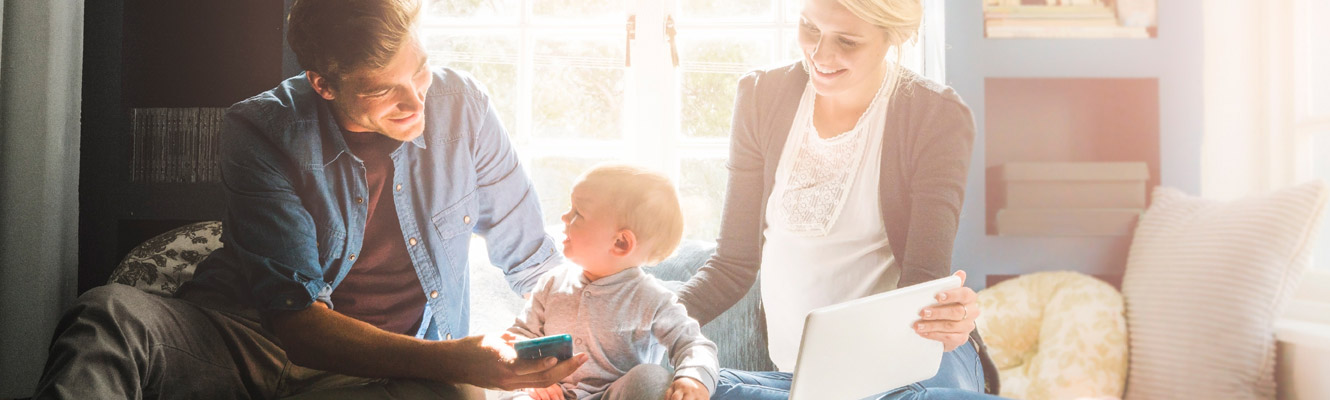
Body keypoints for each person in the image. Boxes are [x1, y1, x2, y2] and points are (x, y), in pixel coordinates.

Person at [33, 0, 587, 398]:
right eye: (382, 89)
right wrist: (453, 357)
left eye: (419, 73)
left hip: (385, 367)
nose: (415, 101)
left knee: (457, 395)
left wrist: (607, 332)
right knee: (106, 312)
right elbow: (297, 321)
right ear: (323, 83)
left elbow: (533, 260)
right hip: (244, 338)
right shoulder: (262, 127)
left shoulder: (463, 105)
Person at [674, 0, 1003, 398]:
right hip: (802, 376)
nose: (821, 54)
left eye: (847, 41)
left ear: (891, 37)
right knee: (671, 387)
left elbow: (922, 282)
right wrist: (641, 321)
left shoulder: (935, 115)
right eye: (810, 29)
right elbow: (732, 265)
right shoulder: (762, 96)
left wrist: (945, 317)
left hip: (910, 365)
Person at [502, 164, 717, 400]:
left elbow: (694, 344)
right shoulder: (552, 284)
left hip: (612, 396)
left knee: (651, 378)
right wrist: (531, 380)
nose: (564, 217)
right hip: (552, 396)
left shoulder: (653, 299)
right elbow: (518, 335)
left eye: (578, 213)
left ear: (620, 243)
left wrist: (694, 378)